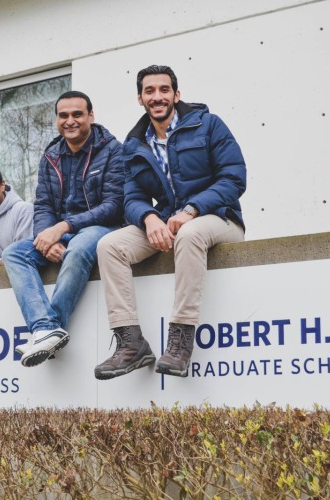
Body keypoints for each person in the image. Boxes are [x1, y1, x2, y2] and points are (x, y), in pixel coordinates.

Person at [94, 65, 246, 380]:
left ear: (176, 95)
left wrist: (192, 209)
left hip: (220, 218)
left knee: (189, 234)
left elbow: (234, 178)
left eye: (164, 90)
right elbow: (131, 196)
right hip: (169, 223)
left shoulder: (208, 125)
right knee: (109, 245)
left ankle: (179, 342)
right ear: (140, 98)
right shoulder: (134, 144)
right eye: (150, 91)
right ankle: (131, 343)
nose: (157, 96)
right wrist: (149, 218)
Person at [2, 90, 124, 367]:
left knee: (79, 247)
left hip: (102, 227)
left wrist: (64, 227)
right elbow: (43, 204)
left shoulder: (114, 150)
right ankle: (46, 328)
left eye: (77, 114)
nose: (70, 121)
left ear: (91, 116)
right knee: (13, 253)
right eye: (63, 115)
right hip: (62, 230)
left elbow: (115, 205)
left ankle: (48, 329)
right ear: (57, 120)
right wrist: (47, 236)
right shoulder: (51, 155)